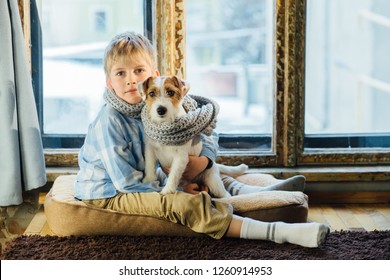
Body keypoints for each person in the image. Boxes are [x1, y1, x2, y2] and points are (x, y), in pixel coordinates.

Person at [75, 31, 330, 248]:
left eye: (138, 70)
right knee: (184, 203)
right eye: (120, 73)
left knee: (206, 170)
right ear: (109, 82)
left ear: (154, 75)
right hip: (110, 192)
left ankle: (259, 193)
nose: (130, 79)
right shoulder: (110, 121)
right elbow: (128, 183)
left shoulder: (158, 103)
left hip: (146, 179)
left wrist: (205, 161)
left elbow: (203, 127)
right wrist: (178, 188)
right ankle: (278, 232)